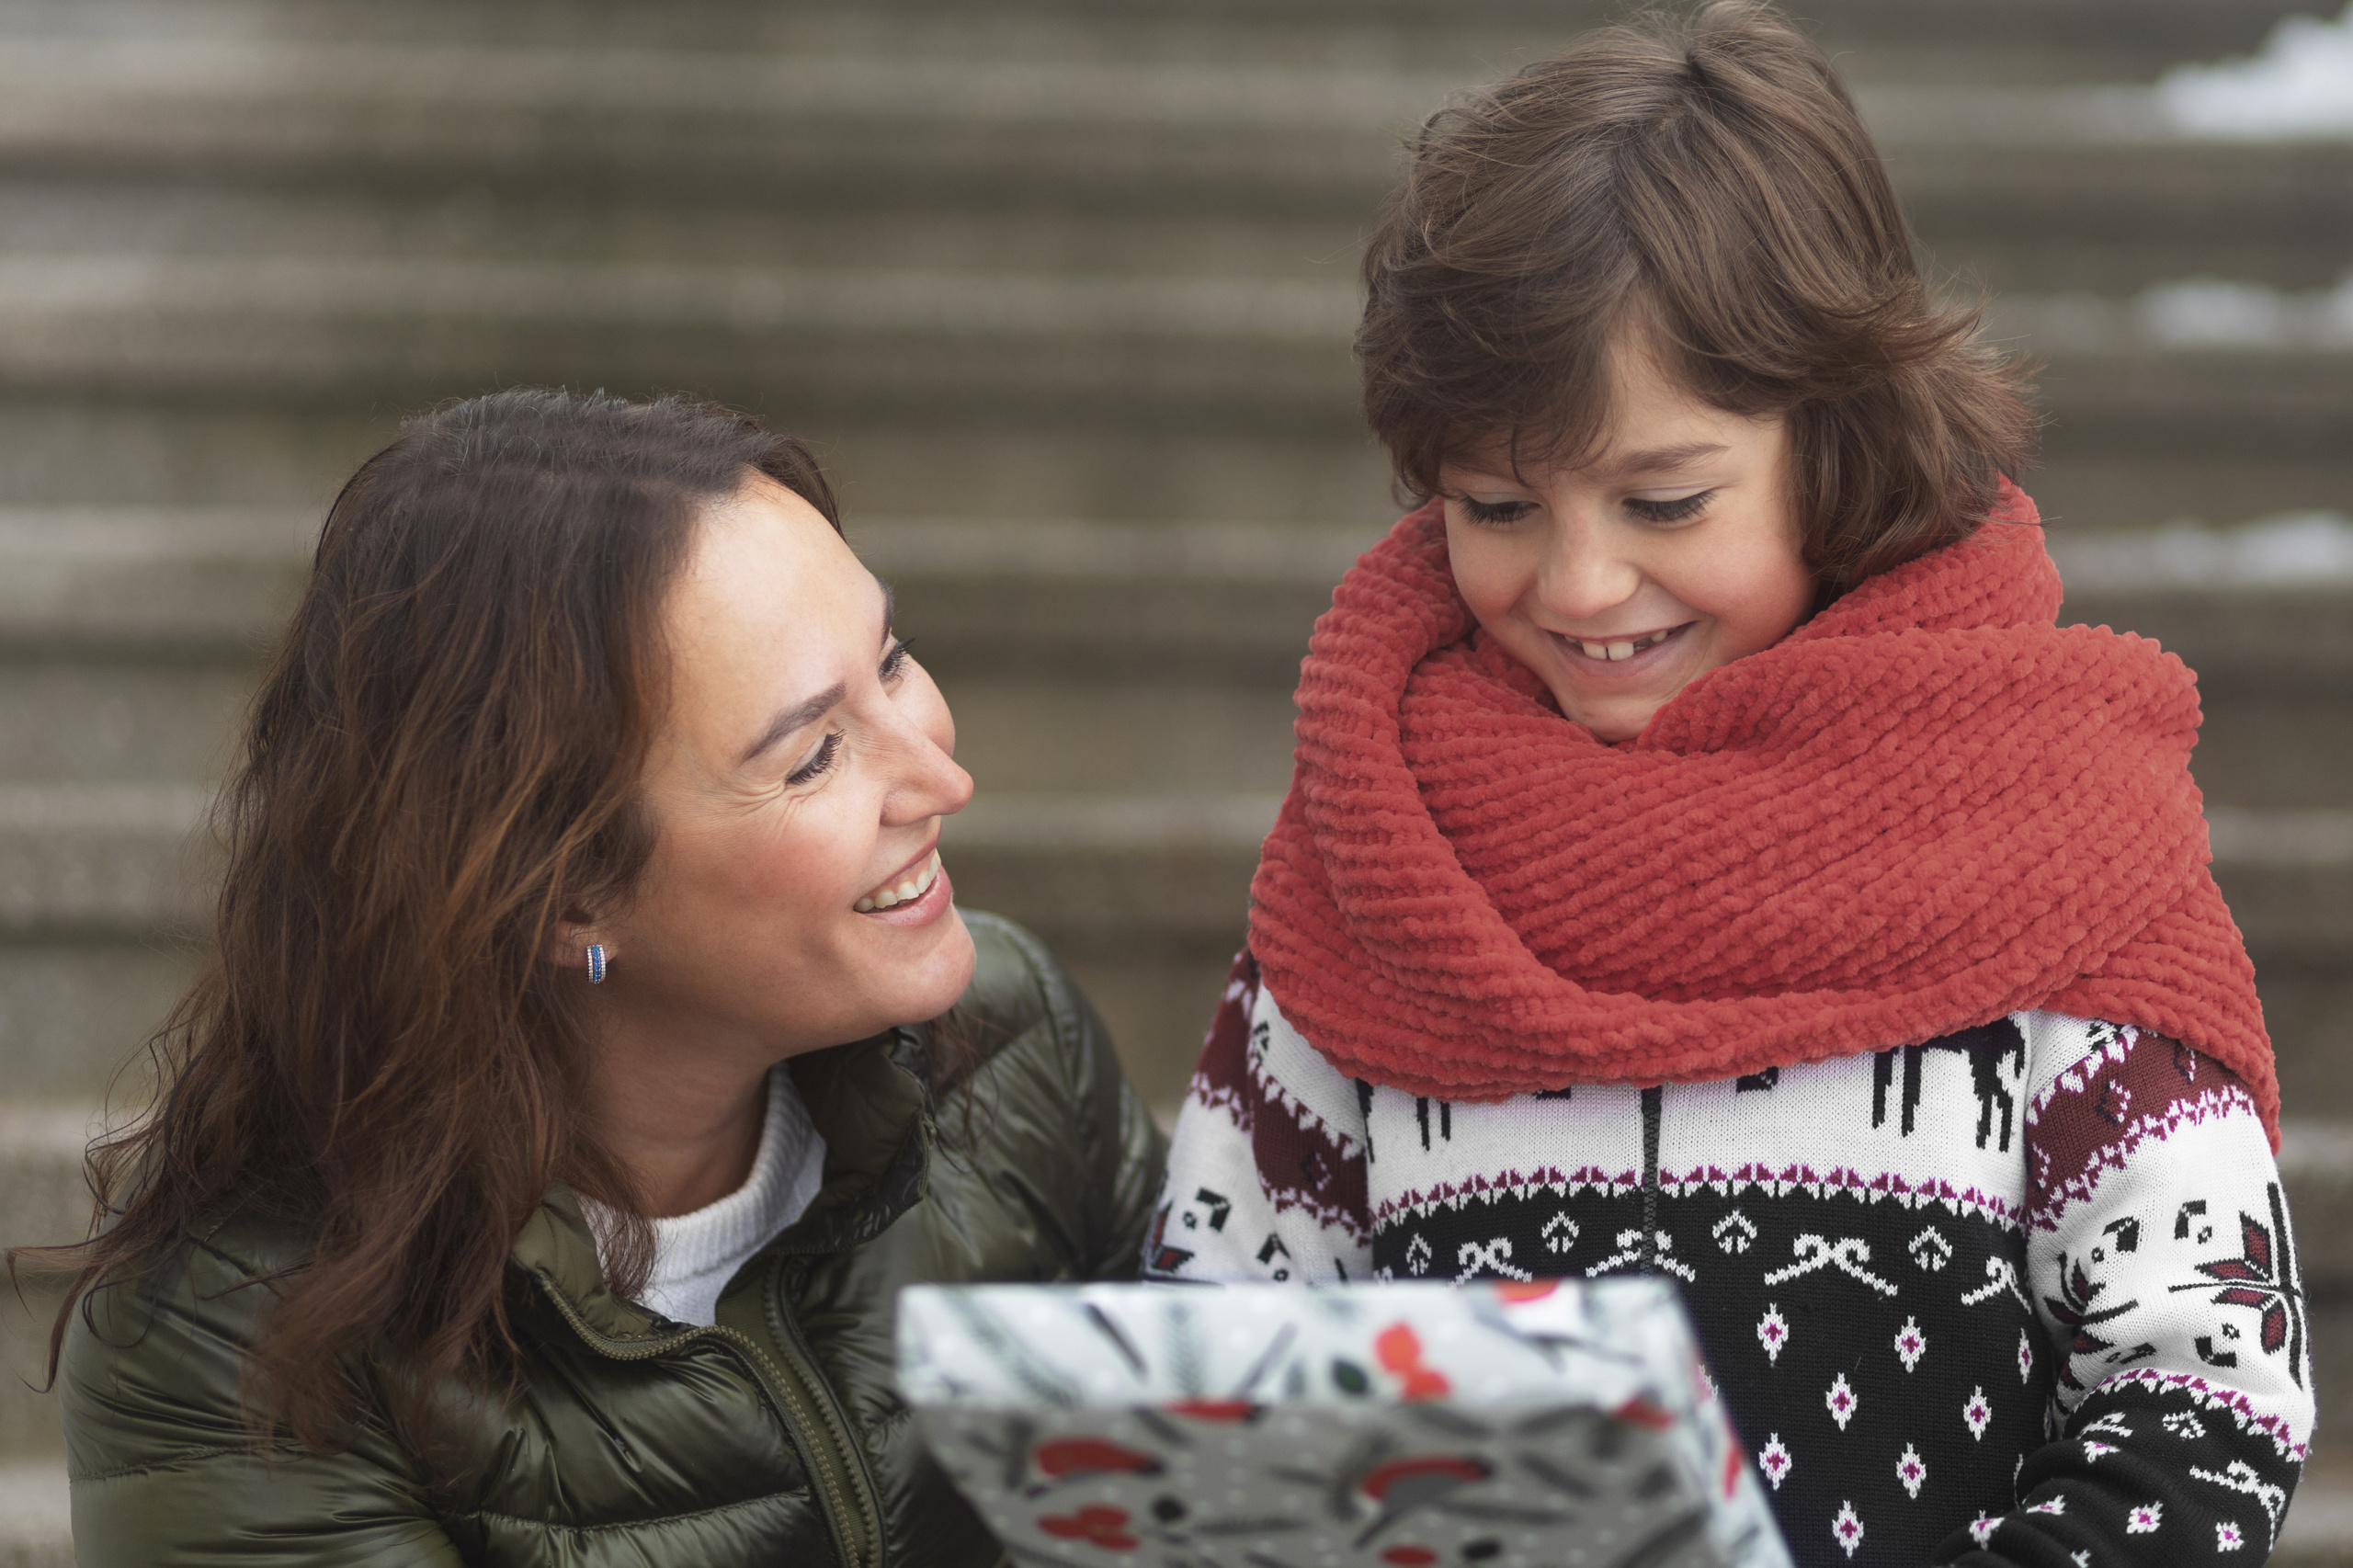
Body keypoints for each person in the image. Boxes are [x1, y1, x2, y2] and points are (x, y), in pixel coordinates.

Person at [1145, 6, 2310, 1565]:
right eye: (1495, 505)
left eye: (1664, 496)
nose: (1578, 579)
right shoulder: (1377, 869)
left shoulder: (2050, 845)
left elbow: (2207, 1398)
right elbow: (1213, 1367)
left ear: (1841, 439)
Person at [29, 390, 1165, 1564]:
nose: (939, 773)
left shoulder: (1009, 1047)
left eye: (894, 657)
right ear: (564, 893)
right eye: (814, 751)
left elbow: (1265, 1498)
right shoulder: (238, 1341)